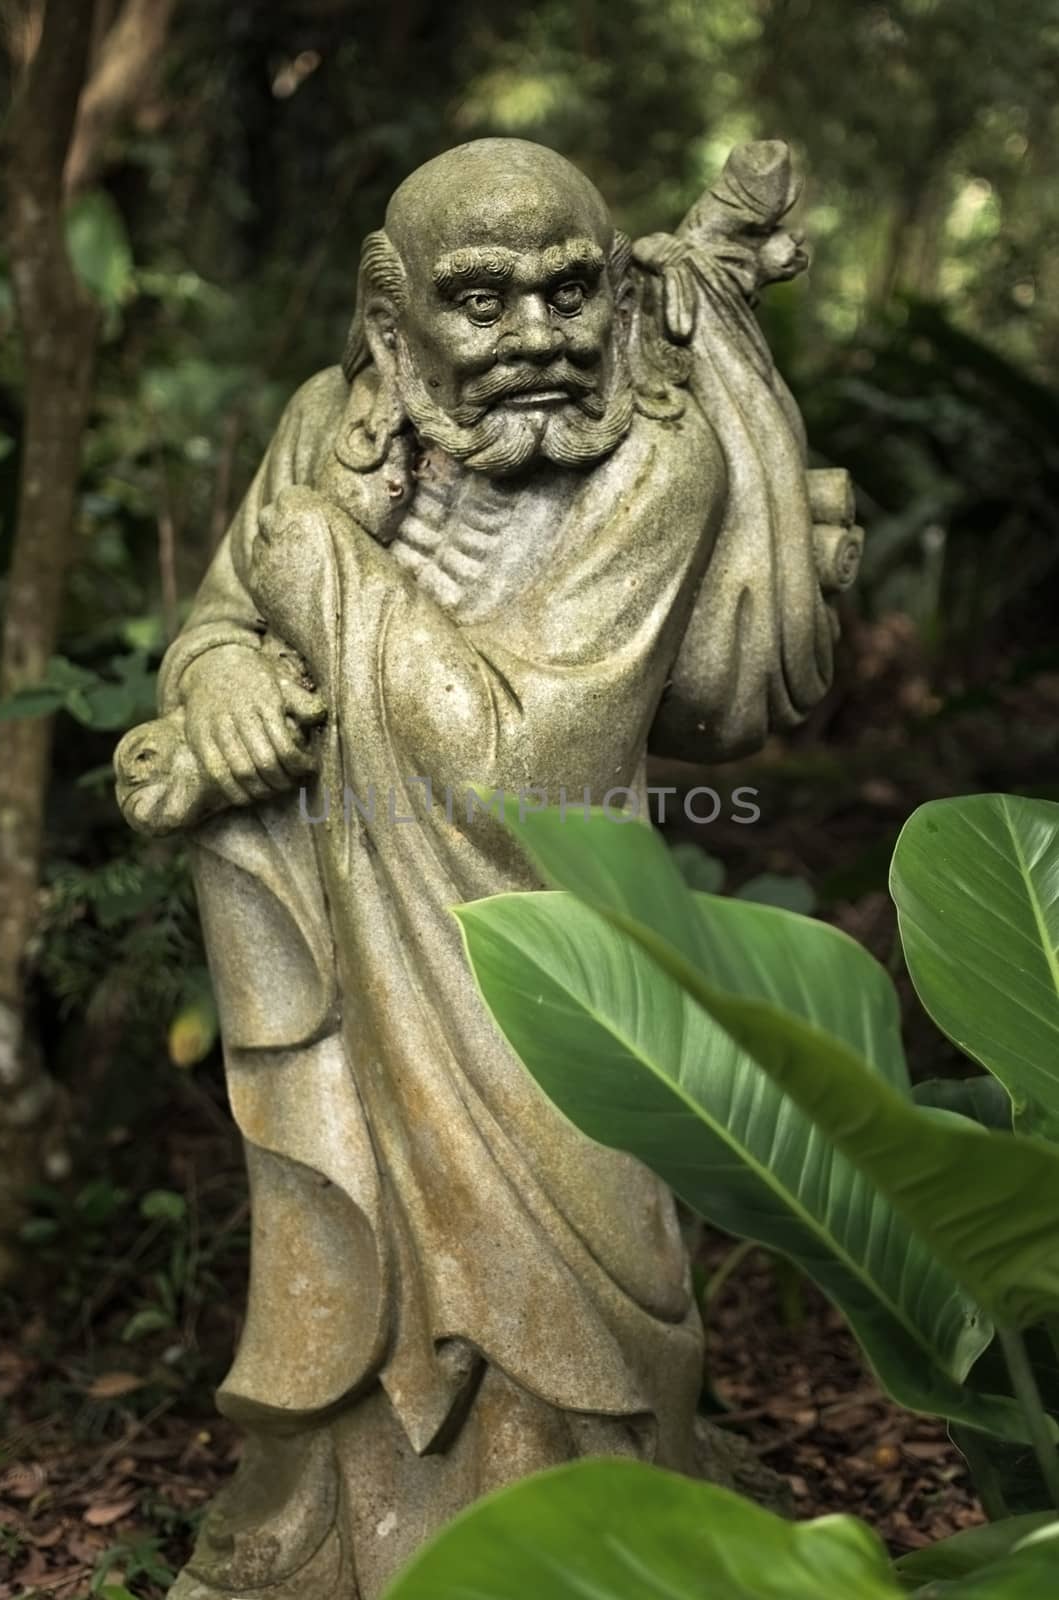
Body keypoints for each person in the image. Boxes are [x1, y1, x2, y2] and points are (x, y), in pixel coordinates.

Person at [116, 137, 847, 1600]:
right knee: (360, 1262)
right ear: (393, 321)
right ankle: (351, 1527)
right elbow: (212, 622)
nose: (534, 340)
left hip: (548, 934)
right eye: (483, 302)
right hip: (350, 938)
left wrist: (320, 568)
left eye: (571, 294)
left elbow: (527, 770)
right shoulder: (329, 421)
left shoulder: (654, 459)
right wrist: (216, 691)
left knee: (581, 1285)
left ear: (619, 299)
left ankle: (567, 1546)